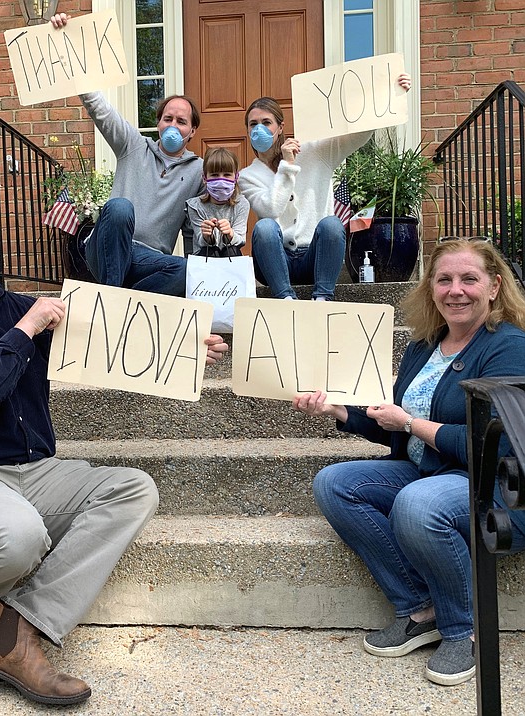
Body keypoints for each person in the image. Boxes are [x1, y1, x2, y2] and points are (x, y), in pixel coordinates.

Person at [0, 194, 228, 706]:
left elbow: (113, 345)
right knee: (18, 537)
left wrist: (181, 344)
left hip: (33, 472)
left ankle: (17, 631)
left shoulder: (28, 308)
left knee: (133, 488)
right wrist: (25, 330)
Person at [293, 238, 525, 686]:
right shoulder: (427, 345)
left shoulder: (509, 347)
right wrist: (339, 411)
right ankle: (422, 607)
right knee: (335, 484)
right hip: (433, 470)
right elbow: (393, 425)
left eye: (469, 279)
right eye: (444, 279)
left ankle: (464, 630)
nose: (455, 290)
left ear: (495, 287)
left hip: (497, 485)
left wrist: (412, 424)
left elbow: (494, 442)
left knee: (418, 504)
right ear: (430, 288)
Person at [50, 13, 203, 297]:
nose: (172, 126)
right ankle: (116, 297)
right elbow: (99, 109)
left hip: (150, 261)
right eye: (167, 118)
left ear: (192, 131)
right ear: (158, 123)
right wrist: (66, 44)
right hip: (107, 247)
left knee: (188, 272)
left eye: (181, 122)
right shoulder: (133, 145)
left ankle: (118, 298)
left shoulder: (198, 171)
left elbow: (193, 228)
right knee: (119, 207)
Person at [238, 74, 411, 300]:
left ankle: (322, 298)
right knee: (265, 228)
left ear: (280, 127)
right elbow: (270, 209)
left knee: (332, 224)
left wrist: (389, 95)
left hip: (315, 257)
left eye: (266, 123)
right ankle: (285, 299)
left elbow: (357, 137)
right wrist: (287, 166)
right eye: (253, 124)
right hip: (276, 262)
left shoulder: (314, 151)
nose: (259, 129)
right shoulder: (248, 176)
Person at [185, 147, 249, 256]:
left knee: (233, 251)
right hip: (205, 255)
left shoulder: (241, 204)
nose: (221, 180)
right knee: (211, 252)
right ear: (205, 178)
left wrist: (230, 233)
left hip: (230, 255)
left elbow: (241, 239)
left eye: (227, 175)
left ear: (236, 177)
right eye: (214, 175)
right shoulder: (195, 206)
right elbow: (201, 242)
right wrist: (206, 235)